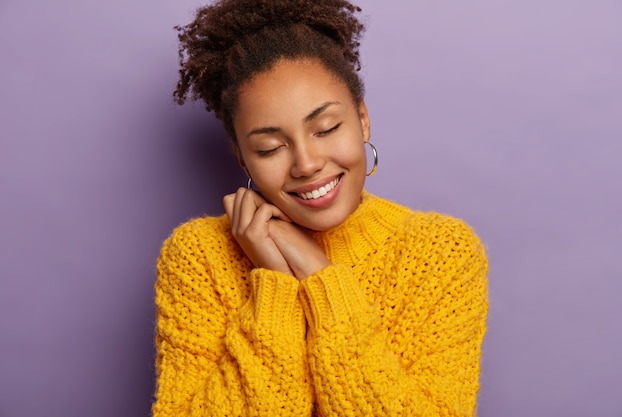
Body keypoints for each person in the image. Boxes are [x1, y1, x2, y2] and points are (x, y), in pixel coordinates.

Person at [152, 0, 489, 416]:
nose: (307, 164)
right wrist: (274, 286)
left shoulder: (439, 252)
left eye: (326, 128)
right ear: (241, 156)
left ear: (363, 120)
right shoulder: (199, 257)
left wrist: (321, 277)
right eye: (270, 147)